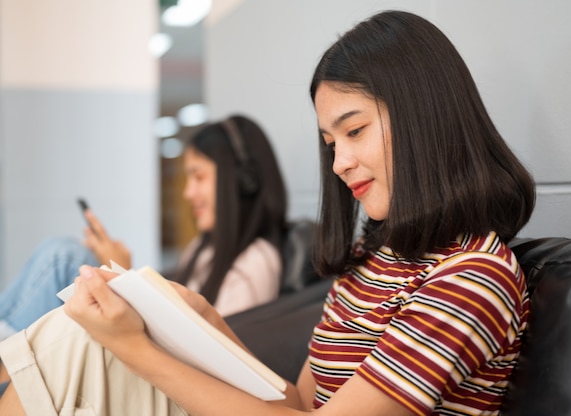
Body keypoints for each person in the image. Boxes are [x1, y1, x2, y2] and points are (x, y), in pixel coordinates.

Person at [0, 10, 535, 415]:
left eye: (354, 131)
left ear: (426, 118)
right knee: (77, 334)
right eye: (330, 142)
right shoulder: (376, 259)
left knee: (81, 340)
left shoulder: (473, 279)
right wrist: (204, 320)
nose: (340, 162)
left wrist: (135, 348)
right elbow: (300, 401)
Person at [0, 113, 288, 343]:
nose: (188, 193)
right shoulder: (204, 248)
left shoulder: (255, 262)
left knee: (65, 256)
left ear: (242, 182)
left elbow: (205, 354)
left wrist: (124, 276)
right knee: (69, 256)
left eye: (198, 177)